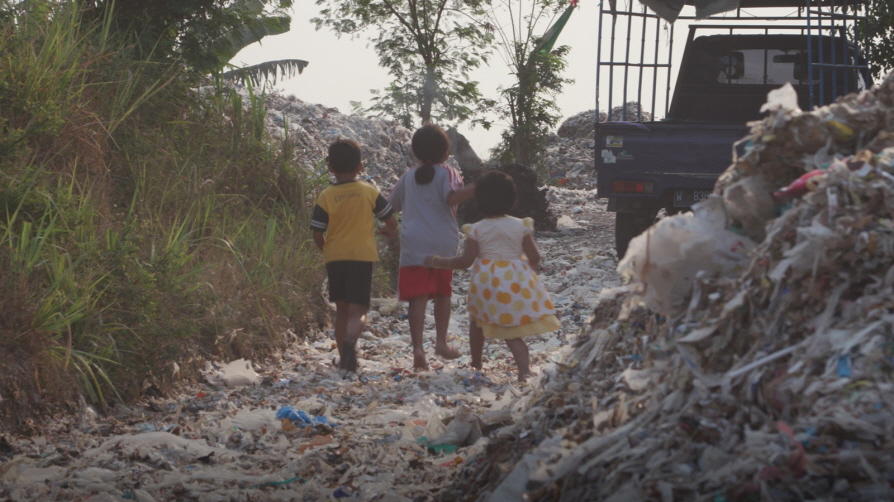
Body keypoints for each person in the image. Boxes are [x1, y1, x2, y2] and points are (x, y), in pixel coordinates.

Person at [424, 171, 560, 382]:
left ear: (478, 200)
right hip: (515, 282)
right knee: (512, 330)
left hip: (486, 284)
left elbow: (466, 261)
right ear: (512, 199)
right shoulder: (521, 225)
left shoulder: (476, 229)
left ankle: (476, 362)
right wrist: (526, 275)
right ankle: (524, 370)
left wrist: (439, 261)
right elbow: (535, 256)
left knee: (477, 322)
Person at [388, 124, 475, 371]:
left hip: (413, 244)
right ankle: (440, 342)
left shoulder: (407, 177)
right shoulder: (448, 173)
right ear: (445, 152)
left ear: (415, 152)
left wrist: (386, 228)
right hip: (441, 244)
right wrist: (476, 189)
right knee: (443, 294)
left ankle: (417, 349)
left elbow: (389, 206)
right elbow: (452, 198)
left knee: (418, 298)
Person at [310, 138, 398, 374]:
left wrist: (326, 249)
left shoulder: (326, 196)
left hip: (336, 257)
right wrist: (388, 232)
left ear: (329, 167)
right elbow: (391, 221)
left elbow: (317, 231)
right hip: (361, 256)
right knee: (359, 310)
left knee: (342, 309)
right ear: (360, 166)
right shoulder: (369, 191)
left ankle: (343, 359)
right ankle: (351, 342)